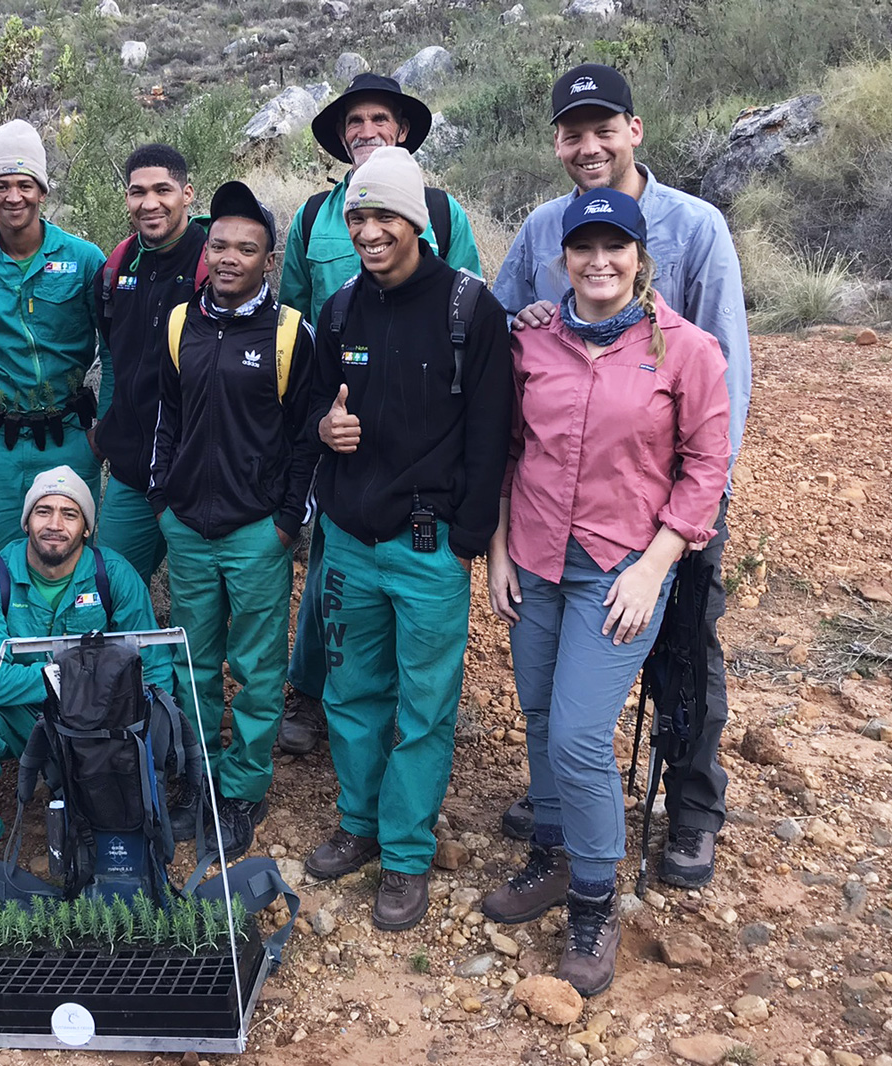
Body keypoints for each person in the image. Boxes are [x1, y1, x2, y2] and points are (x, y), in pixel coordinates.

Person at [492, 63, 752, 889]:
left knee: (685, 658)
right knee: (554, 710)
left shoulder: (698, 226)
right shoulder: (541, 229)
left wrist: (685, 526)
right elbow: (505, 333)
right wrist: (525, 320)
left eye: (604, 128)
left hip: (658, 508)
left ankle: (692, 812)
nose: (589, 145)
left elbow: (720, 378)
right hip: (548, 520)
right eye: (574, 133)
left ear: (634, 130)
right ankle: (560, 829)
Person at [482, 188, 729, 996]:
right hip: (534, 556)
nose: (597, 262)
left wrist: (656, 564)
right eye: (582, 248)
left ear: (639, 256)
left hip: (620, 568)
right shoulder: (534, 343)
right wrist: (498, 551)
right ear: (563, 258)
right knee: (543, 714)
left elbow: (706, 469)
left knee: (582, 738)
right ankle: (550, 855)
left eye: (613, 247)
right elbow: (508, 450)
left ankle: (595, 899)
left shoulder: (687, 351)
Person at [298, 148, 512, 931]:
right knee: (353, 693)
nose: (369, 230)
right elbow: (314, 405)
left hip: (428, 548)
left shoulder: (468, 310)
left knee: (424, 707)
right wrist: (327, 425)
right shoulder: (342, 309)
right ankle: (357, 825)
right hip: (351, 539)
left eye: (384, 215)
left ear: (416, 220)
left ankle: (406, 856)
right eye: (357, 216)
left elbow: (493, 433)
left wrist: (470, 537)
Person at [279, 72, 485, 756]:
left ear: (400, 131)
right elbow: (293, 323)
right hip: (341, 424)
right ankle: (312, 693)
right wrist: (311, 422)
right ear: (342, 137)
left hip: (422, 447)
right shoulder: (312, 218)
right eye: (354, 122)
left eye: (379, 120)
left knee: (397, 583)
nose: (366, 131)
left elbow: (469, 316)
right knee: (333, 572)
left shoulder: (442, 212)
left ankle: (390, 710)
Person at [149, 181, 318, 864]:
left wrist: (285, 521)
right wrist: (163, 500)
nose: (228, 257)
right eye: (219, 243)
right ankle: (197, 775)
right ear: (206, 246)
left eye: (246, 248)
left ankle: (242, 787)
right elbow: (166, 418)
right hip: (188, 525)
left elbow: (307, 437)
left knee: (253, 665)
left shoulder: (287, 333)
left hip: (256, 531)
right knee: (192, 662)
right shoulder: (178, 323)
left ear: (267, 259)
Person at [0, 467, 172, 893]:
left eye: (69, 514)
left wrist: (153, 724)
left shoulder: (113, 575)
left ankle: (137, 823)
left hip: (100, 726)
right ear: (27, 520)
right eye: (43, 511)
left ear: (86, 527)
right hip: (24, 718)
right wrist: (69, 678)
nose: (55, 524)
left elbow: (153, 664)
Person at [0, 120, 108, 574]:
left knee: (71, 562)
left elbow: (112, 352)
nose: (13, 197)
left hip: (71, 435)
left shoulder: (84, 260)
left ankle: (73, 646)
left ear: (42, 190)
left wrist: (104, 430)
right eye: (1, 185)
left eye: (24, 184)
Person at [92, 143, 209, 585]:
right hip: (131, 477)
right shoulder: (116, 267)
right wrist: (106, 428)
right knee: (107, 593)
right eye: (137, 192)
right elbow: (112, 355)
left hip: (198, 477)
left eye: (163, 190)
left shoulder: (214, 262)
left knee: (199, 609)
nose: (150, 203)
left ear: (187, 194)